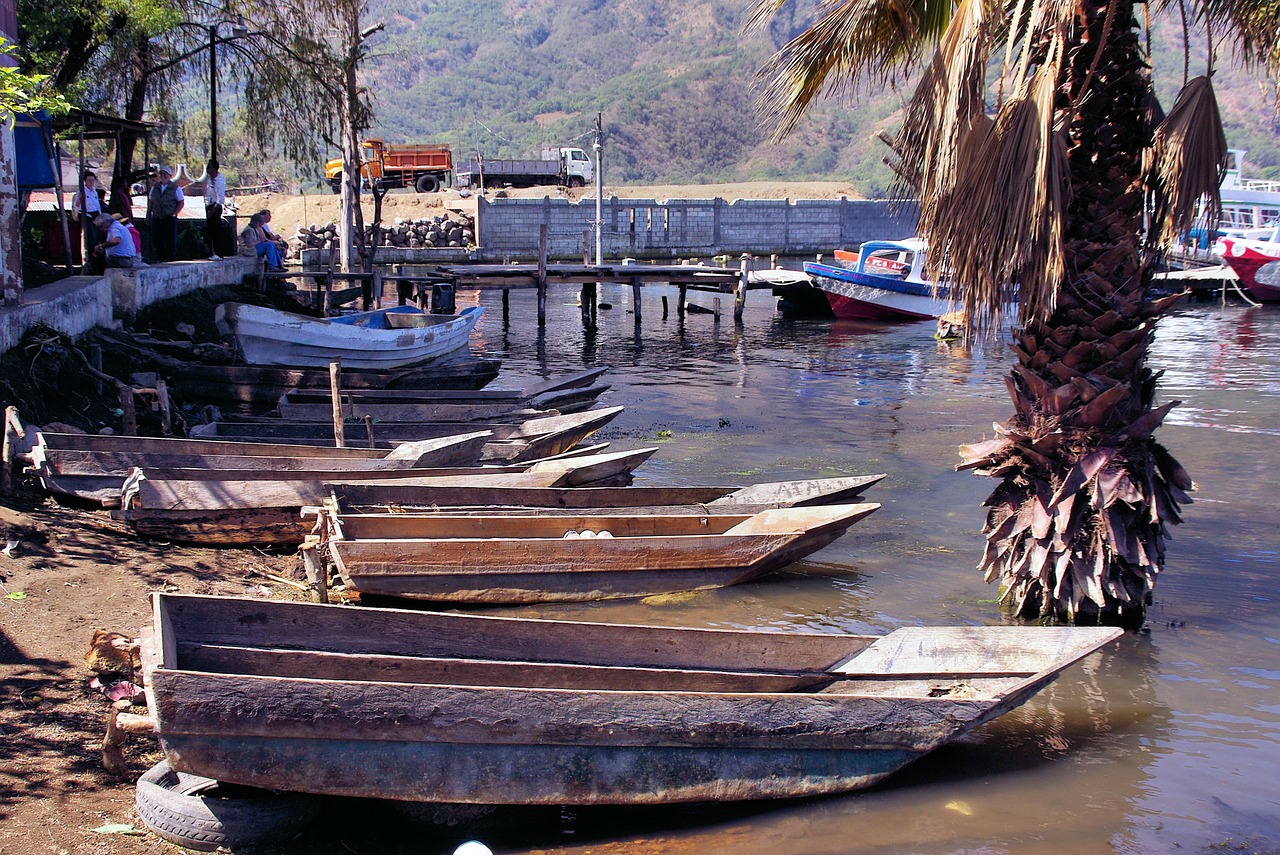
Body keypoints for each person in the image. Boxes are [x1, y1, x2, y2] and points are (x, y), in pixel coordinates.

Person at [146, 166, 184, 262]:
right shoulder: (155, 187)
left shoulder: (175, 188)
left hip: (169, 217)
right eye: (161, 173)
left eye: (165, 174)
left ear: (169, 176)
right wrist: (148, 215)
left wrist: (174, 213)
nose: (163, 175)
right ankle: (160, 257)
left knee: (170, 240)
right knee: (157, 238)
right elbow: (151, 202)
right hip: (157, 217)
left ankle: (169, 259)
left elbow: (181, 202)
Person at [73, 171, 104, 272]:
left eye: (92, 180)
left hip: (95, 216)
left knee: (96, 237)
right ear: (85, 181)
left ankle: (95, 256)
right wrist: (80, 199)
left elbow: (97, 205)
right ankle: (88, 259)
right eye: (89, 180)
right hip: (86, 215)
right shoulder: (81, 191)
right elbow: (76, 205)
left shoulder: (94, 191)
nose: (91, 182)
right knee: (90, 237)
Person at [202, 160, 227, 259]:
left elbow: (220, 199)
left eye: (209, 167)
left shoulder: (219, 181)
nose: (208, 169)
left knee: (216, 231)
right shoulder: (209, 180)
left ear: (214, 168)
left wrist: (212, 211)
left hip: (215, 207)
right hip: (209, 206)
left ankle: (219, 253)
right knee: (211, 231)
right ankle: (212, 252)